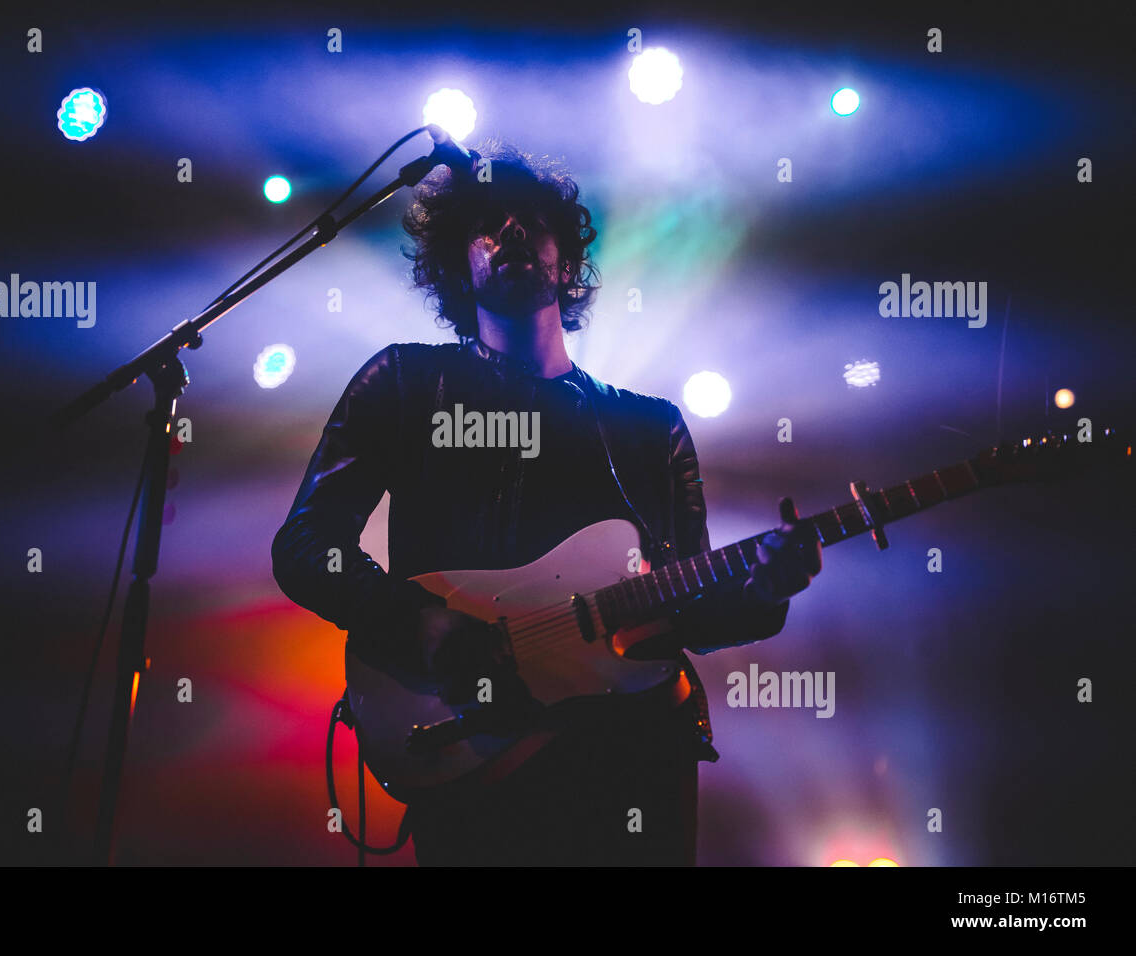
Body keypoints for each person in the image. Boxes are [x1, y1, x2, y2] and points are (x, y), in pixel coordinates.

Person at [272, 140, 821, 865]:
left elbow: (682, 605)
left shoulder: (648, 426)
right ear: (452, 262)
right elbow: (307, 545)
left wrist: (760, 590)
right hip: (476, 741)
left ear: (567, 260)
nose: (514, 232)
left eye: (534, 220)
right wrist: (426, 627)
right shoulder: (404, 383)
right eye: (488, 224)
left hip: (633, 755)